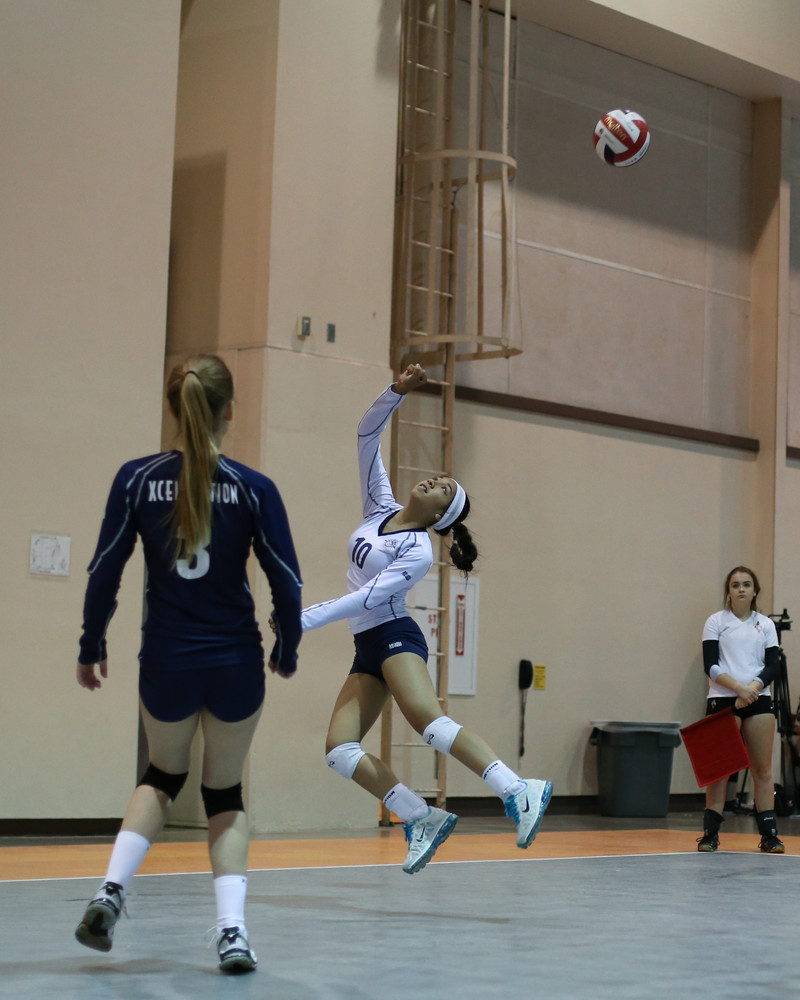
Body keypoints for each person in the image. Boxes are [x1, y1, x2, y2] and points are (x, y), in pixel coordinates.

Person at [74, 354, 303, 972]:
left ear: (173, 409)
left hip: (167, 659)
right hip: (233, 662)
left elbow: (104, 571)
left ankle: (110, 893)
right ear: (229, 411)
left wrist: (92, 646)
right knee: (222, 791)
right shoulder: (254, 488)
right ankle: (233, 933)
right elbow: (286, 581)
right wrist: (287, 649)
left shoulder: (136, 479)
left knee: (161, 776)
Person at [300, 363, 553, 873]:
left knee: (427, 722)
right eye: (439, 478)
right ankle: (420, 816)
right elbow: (366, 435)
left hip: (393, 633)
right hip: (367, 645)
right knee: (339, 750)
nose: (436, 480)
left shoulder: (416, 550)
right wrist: (396, 392)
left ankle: (516, 788)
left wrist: (299, 619)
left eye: (444, 489)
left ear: (441, 515)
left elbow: (366, 599)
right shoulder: (379, 505)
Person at [697, 566, 784, 853]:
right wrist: (738, 688)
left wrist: (752, 689)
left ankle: (770, 835)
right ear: (729, 591)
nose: (741, 589)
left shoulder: (765, 625)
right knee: (719, 770)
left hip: (758, 697)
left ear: (755, 590)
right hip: (723, 697)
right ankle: (710, 835)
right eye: (735, 585)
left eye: (747, 584)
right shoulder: (715, 621)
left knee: (762, 769)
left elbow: (773, 665)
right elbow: (710, 665)